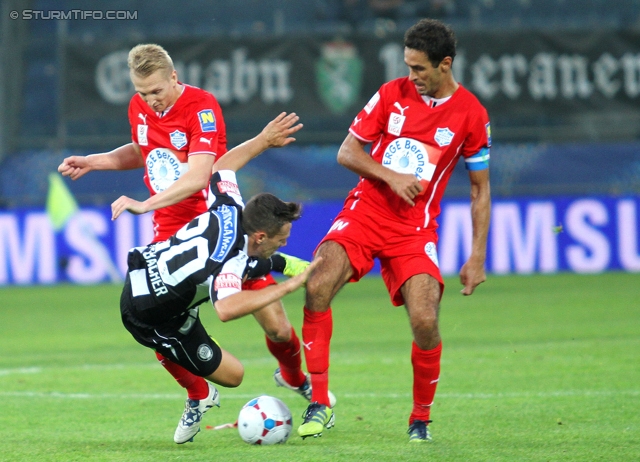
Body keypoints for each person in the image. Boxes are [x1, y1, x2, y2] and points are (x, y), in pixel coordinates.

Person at [58, 44, 332, 436]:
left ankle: (293, 376)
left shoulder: (202, 108)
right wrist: (95, 160)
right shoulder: (140, 107)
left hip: (215, 228)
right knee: (156, 320)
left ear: (174, 77)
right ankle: (197, 394)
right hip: (170, 233)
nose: (150, 101)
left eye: (156, 91)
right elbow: (145, 150)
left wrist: (144, 203)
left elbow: (201, 175)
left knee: (277, 328)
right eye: (141, 92)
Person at [297, 18, 491, 443]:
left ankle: (420, 418)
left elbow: (480, 189)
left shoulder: (472, 115)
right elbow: (348, 152)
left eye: (419, 68)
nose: (411, 76)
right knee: (317, 284)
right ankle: (320, 401)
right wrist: (390, 176)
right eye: (407, 66)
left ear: (445, 64)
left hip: (414, 230)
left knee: (425, 321)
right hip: (365, 213)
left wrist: (477, 255)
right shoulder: (392, 94)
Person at [120, 112, 321, 444]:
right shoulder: (227, 263)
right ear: (259, 237)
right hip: (150, 314)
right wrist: (288, 285)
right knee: (234, 376)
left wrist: (263, 140)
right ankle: (199, 394)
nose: (282, 243)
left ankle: (284, 371)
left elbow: (221, 167)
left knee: (261, 296)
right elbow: (227, 309)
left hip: (154, 271)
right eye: (280, 240)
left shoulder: (229, 205)